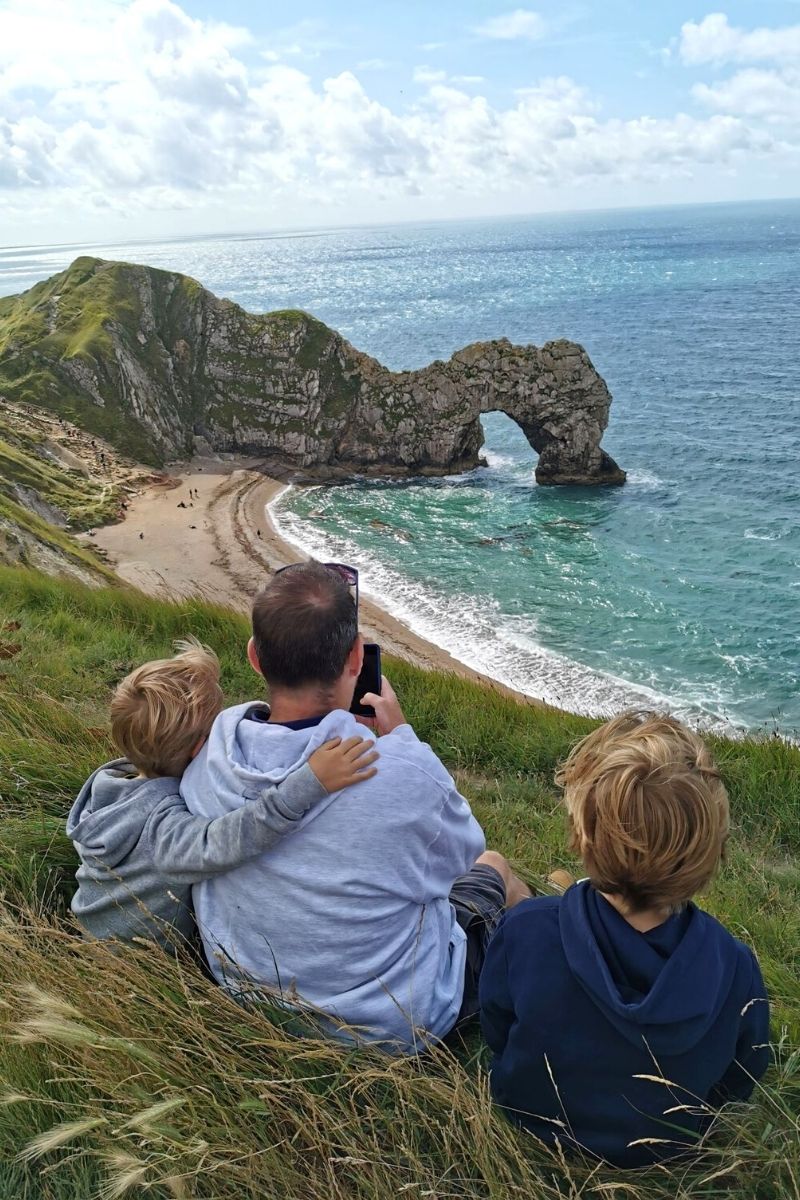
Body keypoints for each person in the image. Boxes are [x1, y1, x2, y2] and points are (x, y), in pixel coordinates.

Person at [181, 561, 530, 1050]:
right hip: (388, 1023)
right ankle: (559, 950)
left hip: (248, 995)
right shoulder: (403, 771)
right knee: (494, 867)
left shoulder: (212, 751)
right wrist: (403, 741)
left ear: (255, 658)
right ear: (354, 658)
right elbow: (461, 857)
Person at [479, 712, 770, 1168]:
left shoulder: (528, 929)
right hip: (667, 1148)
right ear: (710, 851)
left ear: (584, 835)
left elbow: (497, 1027)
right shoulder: (733, 967)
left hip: (530, 1119)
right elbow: (740, 1076)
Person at [67, 638, 377, 950]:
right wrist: (310, 782)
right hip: (128, 959)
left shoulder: (109, 783)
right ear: (201, 748)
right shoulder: (162, 829)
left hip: (91, 923)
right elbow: (228, 840)